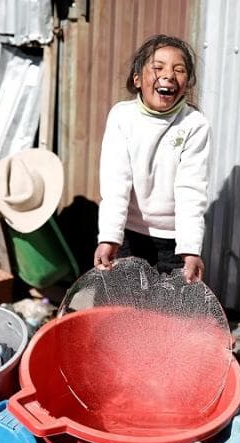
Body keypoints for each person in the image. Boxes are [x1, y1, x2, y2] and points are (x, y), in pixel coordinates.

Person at [93, 34, 211, 284]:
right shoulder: (122, 117)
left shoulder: (194, 124)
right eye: (158, 68)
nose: (168, 75)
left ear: (187, 83)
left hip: (173, 242)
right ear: (137, 79)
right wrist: (109, 238)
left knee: (166, 317)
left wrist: (190, 249)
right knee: (123, 312)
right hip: (128, 236)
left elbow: (192, 190)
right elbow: (116, 184)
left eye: (179, 70)